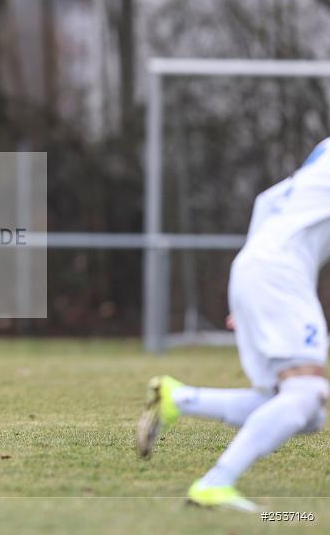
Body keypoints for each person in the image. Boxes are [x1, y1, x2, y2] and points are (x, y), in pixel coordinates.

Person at [136, 137, 330, 511]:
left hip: (260, 266)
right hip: (279, 275)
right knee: (305, 394)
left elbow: (266, 202)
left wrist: (251, 283)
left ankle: (179, 399)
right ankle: (215, 483)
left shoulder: (322, 155)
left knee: (302, 410)